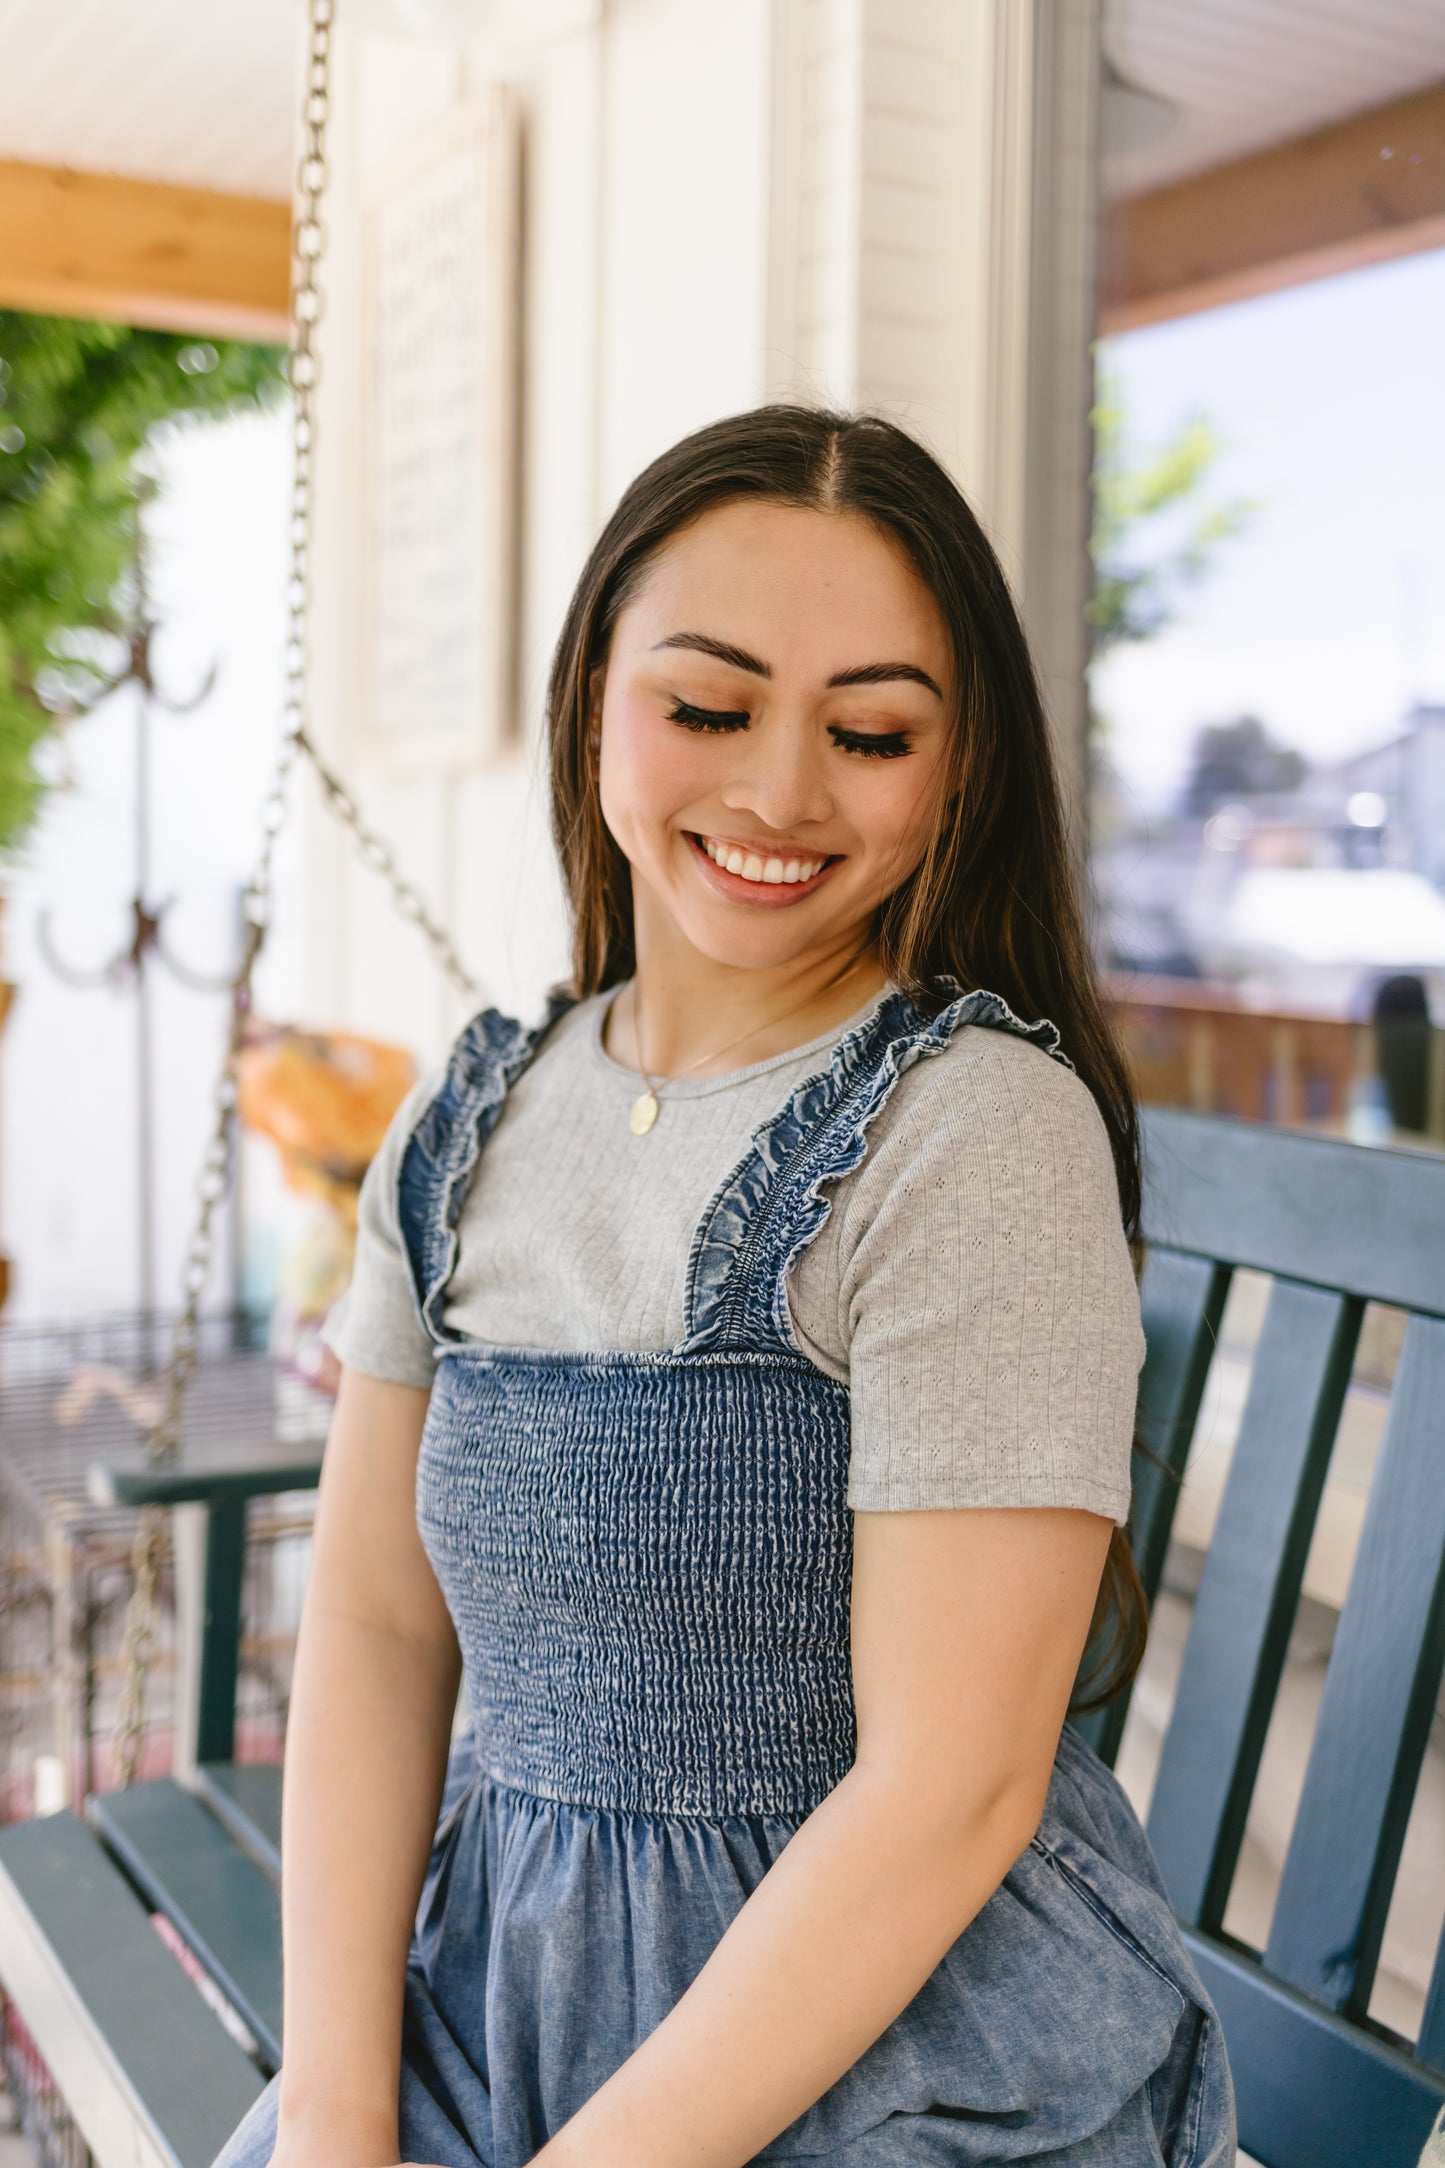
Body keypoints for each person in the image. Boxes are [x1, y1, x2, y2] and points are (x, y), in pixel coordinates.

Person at [213, 406, 1236, 2168]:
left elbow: (952, 1789)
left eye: (870, 733)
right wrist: (335, 2110)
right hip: (493, 2005)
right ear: (595, 694)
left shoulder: (971, 1132)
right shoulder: (466, 1127)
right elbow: (379, 1631)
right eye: (707, 707)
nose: (780, 791)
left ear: (958, 764)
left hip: (897, 2040)